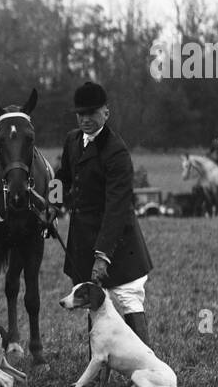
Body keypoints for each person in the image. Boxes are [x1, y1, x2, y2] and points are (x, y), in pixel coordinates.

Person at [56, 81, 154, 357]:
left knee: (127, 297)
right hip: (83, 236)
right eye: (80, 114)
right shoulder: (72, 140)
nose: (86, 120)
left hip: (118, 240)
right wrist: (51, 204)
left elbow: (117, 207)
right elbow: (62, 177)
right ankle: (98, 362)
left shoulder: (116, 151)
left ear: (106, 113)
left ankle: (143, 362)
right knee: (92, 297)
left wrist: (103, 256)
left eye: (92, 114)